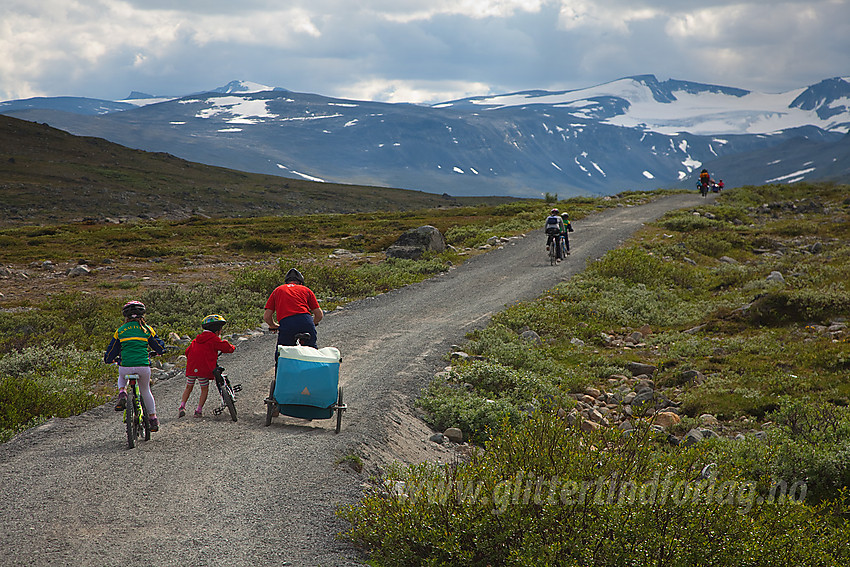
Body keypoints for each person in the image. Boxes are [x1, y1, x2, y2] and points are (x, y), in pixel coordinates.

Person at [104, 300, 166, 431]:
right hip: (143, 366)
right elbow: (159, 346)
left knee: (122, 376)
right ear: (142, 315)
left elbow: (112, 350)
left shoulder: (120, 331)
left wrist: (109, 359)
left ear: (125, 316)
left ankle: (122, 393)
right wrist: (160, 351)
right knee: (145, 391)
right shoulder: (146, 329)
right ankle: (153, 419)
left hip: (126, 365)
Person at [179, 314, 236, 418]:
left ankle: (182, 406)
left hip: (192, 368)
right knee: (204, 389)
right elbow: (226, 347)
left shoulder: (195, 340)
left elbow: (187, 352)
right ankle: (198, 410)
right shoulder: (214, 339)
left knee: (189, 387)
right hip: (204, 369)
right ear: (217, 331)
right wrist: (232, 347)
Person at [264, 268, 324, 360]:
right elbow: (319, 314)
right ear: (300, 282)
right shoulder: (306, 290)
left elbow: (267, 316)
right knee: (312, 351)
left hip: (287, 323)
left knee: (282, 355)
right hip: (306, 321)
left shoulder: (278, 290)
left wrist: (274, 326)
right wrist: (313, 323)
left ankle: (281, 372)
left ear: (286, 282)